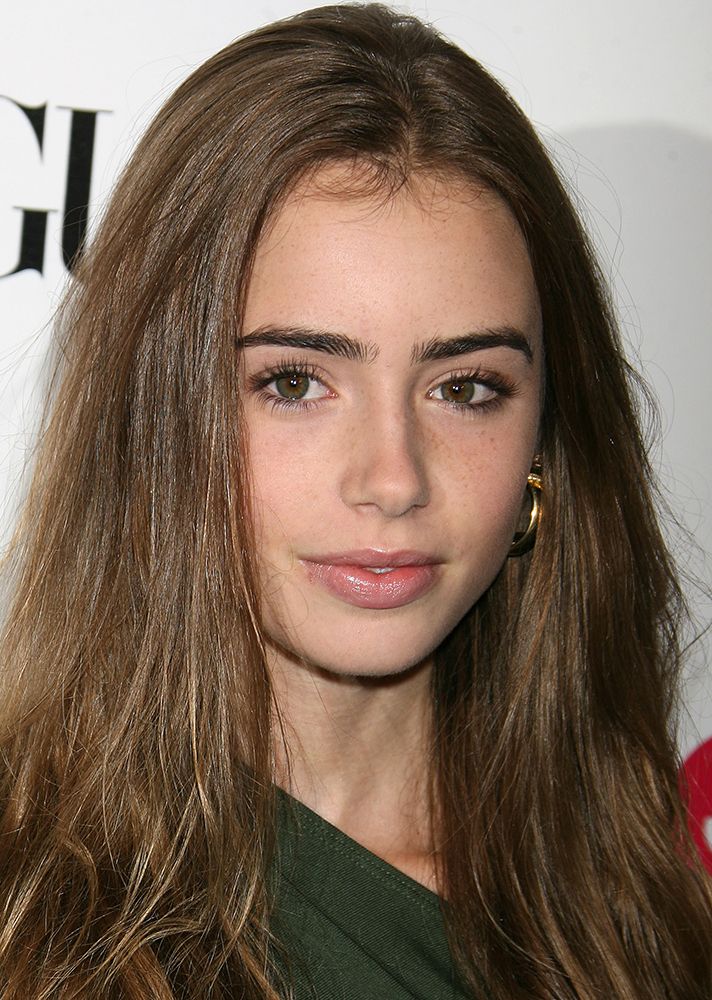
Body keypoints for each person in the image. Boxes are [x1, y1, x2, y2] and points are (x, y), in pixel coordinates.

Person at [0, 4, 709, 998]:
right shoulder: (28, 909)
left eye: (464, 388)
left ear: (546, 443)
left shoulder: (632, 904)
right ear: (158, 414)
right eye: (294, 381)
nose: (392, 477)